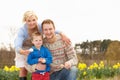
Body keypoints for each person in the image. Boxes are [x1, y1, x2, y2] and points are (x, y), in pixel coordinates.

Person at [14, 10, 71, 80]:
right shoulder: (22, 30)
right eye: (29, 21)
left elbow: (51, 29)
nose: (32, 23)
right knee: (23, 69)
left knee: (39, 65)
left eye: (33, 20)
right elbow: (17, 44)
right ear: (25, 21)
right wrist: (22, 51)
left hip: (37, 45)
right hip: (23, 47)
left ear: (36, 19)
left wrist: (62, 34)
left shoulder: (40, 26)